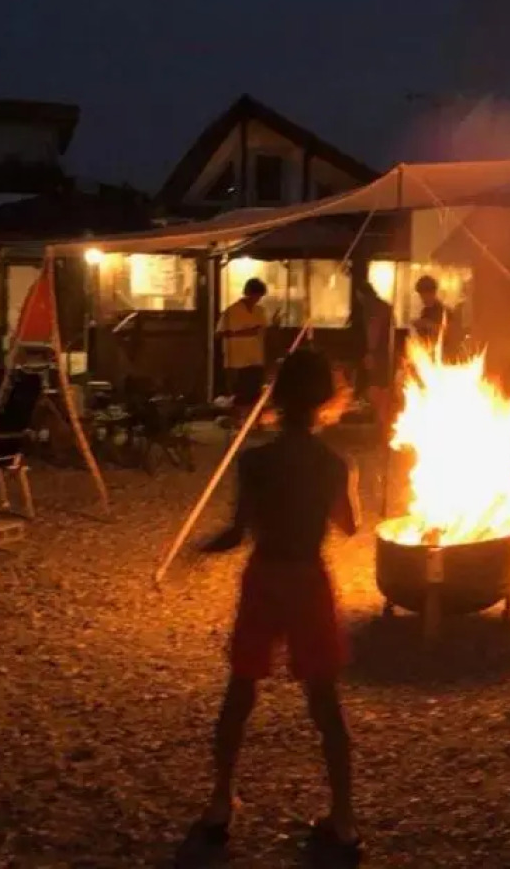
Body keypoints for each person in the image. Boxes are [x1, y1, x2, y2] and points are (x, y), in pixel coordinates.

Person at [187, 348, 362, 863]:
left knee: (241, 690)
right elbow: (350, 526)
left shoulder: (255, 461)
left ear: (278, 397)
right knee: (324, 702)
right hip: (308, 581)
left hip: (265, 577)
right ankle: (343, 818)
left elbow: (237, 531)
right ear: (327, 400)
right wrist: (349, 486)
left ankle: (220, 801)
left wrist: (200, 551)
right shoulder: (331, 463)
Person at [217, 278, 268, 419]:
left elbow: (263, 330)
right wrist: (244, 333)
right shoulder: (231, 311)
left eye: (259, 296)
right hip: (237, 360)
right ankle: (238, 420)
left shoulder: (259, 311)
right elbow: (220, 333)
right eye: (255, 295)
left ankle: (253, 420)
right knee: (239, 394)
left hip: (255, 358)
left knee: (254, 393)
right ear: (248, 293)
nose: (256, 299)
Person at [354, 280, 395, 437]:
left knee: (376, 390)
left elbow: (374, 330)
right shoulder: (385, 306)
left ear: (361, 294)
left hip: (379, 356)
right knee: (382, 391)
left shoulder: (372, 308)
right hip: (387, 355)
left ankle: (381, 428)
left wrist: (371, 353)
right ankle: (383, 427)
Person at [412, 274, 461, 358]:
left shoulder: (446, 312)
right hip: (429, 355)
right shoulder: (425, 312)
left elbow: (452, 336)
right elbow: (424, 338)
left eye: (425, 295)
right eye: (421, 295)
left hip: (445, 356)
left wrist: (429, 325)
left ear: (433, 293)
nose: (423, 299)